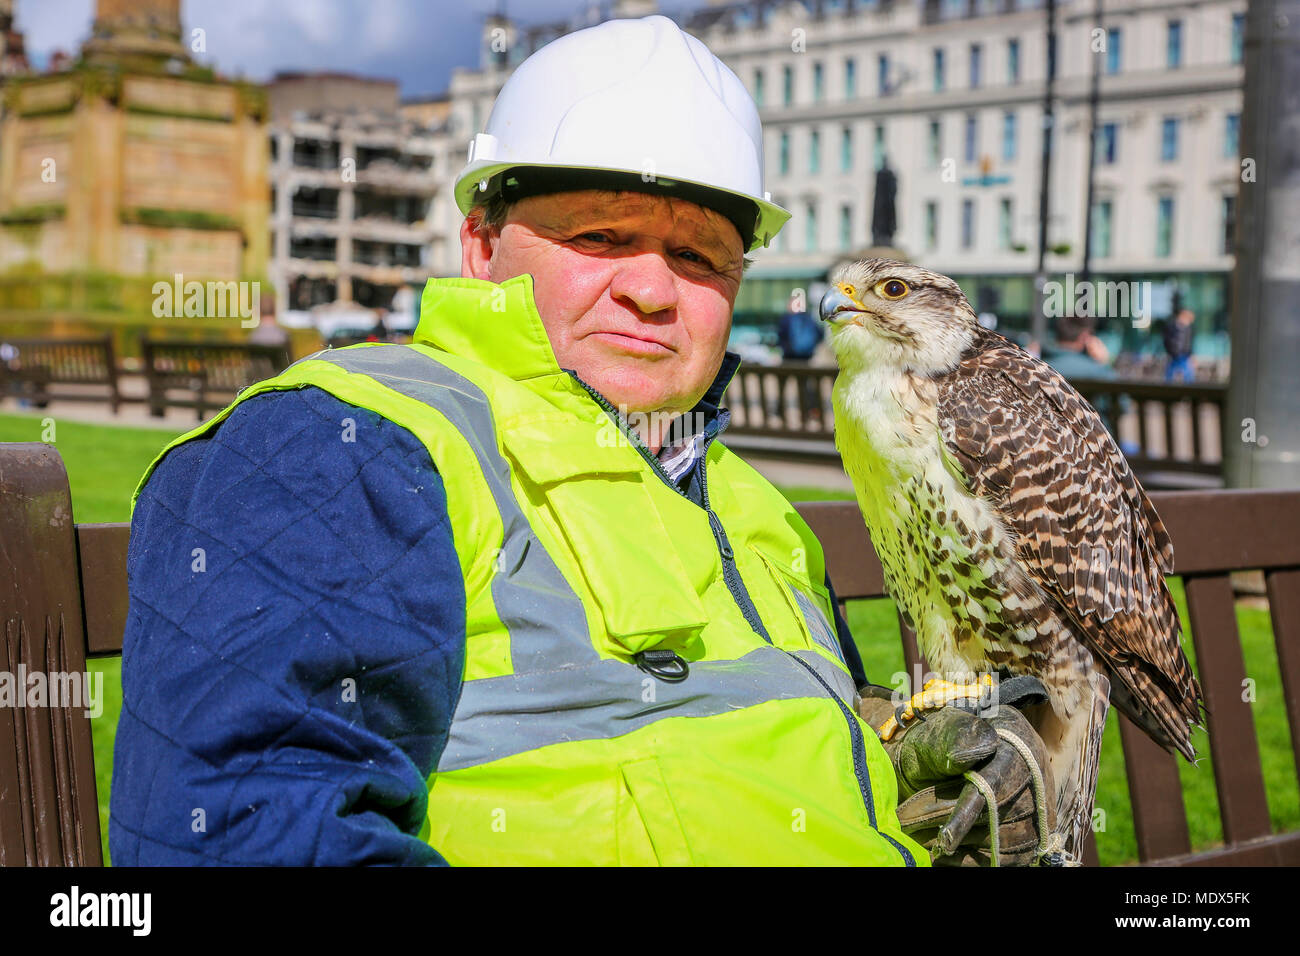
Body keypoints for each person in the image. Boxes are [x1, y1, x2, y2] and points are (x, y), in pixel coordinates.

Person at [110, 15, 1052, 866]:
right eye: (602, 236)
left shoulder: (748, 503)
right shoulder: (346, 444)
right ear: (481, 244)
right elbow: (244, 835)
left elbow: (738, 740)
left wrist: (885, 747)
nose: (652, 289)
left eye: (698, 257)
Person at [1043, 315, 1136, 455]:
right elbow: (1123, 405)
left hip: (1048, 447)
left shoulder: (1038, 367)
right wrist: (1105, 363)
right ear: (1085, 338)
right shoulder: (1098, 371)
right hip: (1095, 452)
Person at [775, 291, 826, 425]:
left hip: (789, 358)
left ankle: (779, 411)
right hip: (805, 359)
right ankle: (809, 412)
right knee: (805, 386)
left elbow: (779, 336)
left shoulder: (787, 319)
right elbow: (820, 334)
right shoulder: (808, 318)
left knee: (782, 385)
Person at [1163, 308, 1196, 382]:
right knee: (1169, 374)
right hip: (1173, 355)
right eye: (1189, 319)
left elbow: (1188, 344)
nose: (1189, 322)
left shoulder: (1188, 329)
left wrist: (1191, 355)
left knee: (1188, 375)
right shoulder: (1171, 327)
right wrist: (1170, 352)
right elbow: (1167, 341)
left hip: (1184, 355)